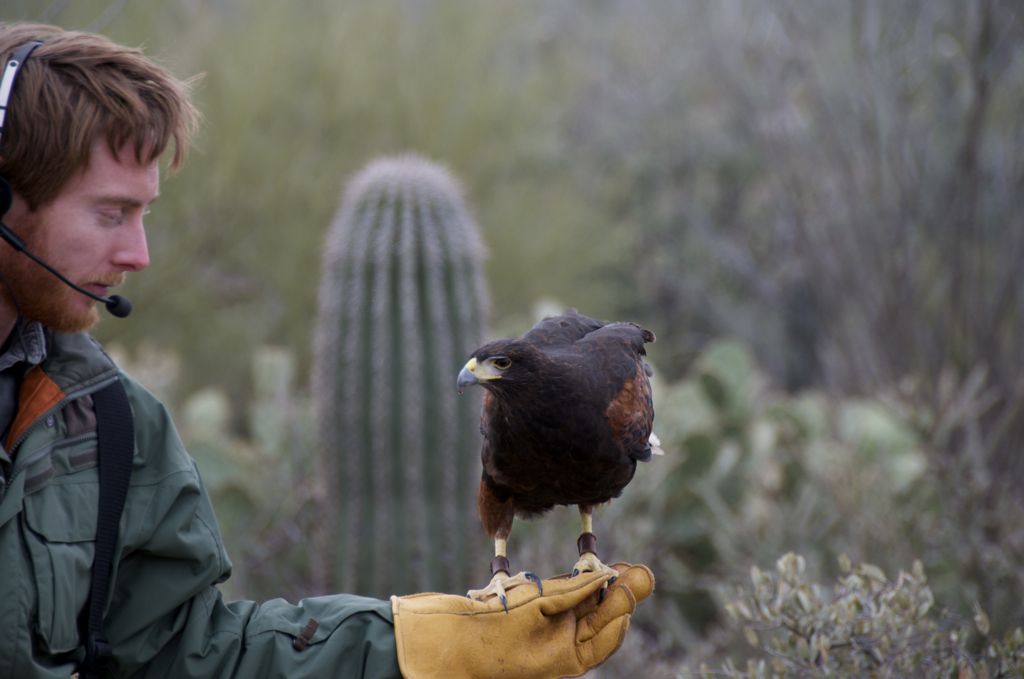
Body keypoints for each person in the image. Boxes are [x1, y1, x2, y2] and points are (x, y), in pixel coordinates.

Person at [0, 22, 654, 679]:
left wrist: (422, 647)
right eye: (110, 214)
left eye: (145, 215)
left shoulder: (112, 428)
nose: (138, 255)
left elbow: (188, 653)